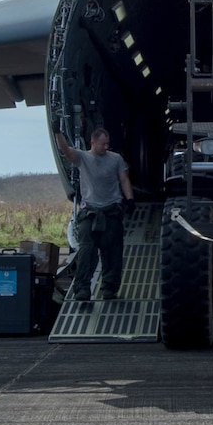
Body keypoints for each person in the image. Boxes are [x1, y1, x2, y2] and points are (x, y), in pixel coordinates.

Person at [56, 127, 135, 300]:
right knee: (86, 251)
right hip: (90, 212)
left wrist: (129, 199)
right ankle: (82, 288)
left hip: (111, 211)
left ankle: (109, 288)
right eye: (102, 144)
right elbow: (66, 150)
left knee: (113, 253)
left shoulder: (116, 159)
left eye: (108, 143)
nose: (106, 147)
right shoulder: (83, 158)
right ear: (93, 143)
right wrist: (58, 133)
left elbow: (124, 179)